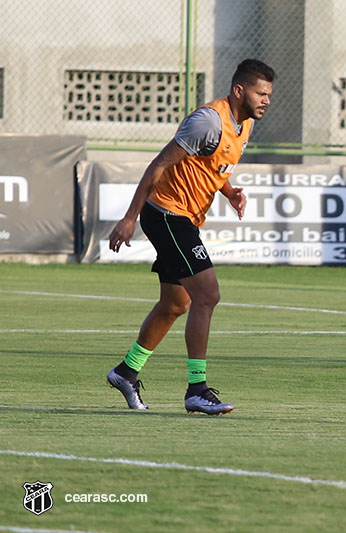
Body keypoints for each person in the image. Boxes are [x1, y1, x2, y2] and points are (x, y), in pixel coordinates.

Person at [106, 59, 275, 415]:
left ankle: (126, 372)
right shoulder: (208, 121)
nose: (267, 101)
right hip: (167, 215)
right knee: (207, 295)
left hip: (184, 218)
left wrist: (228, 191)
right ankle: (196, 389)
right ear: (239, 90)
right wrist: (130, 217)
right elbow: (159, 165)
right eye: (261, 93)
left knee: (175, 304)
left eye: (269, 95)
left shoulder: (244, 124)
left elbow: (210, 164)